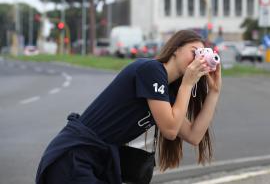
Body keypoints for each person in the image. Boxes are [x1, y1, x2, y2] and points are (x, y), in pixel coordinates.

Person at [36, 29, 222, 184]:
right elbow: (170, 129)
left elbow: (193, 135)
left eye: (203, 54)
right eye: (194, 52)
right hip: (74, 157)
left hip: (95, 160)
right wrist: (188, 84)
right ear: (175, 50)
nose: (199, 59)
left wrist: (214, 91)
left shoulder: (169, 93)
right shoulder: (151, 70)